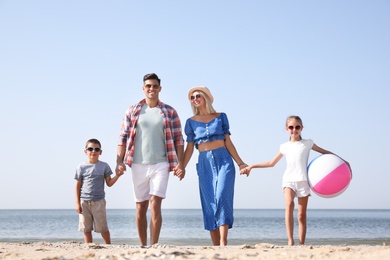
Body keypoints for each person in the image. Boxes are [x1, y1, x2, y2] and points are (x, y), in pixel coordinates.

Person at [240, 115, 352, 246]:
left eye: (297, 127)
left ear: (301, 128)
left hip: (303, 181)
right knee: (289, 205)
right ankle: (290, 241)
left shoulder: (308, 143)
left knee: (301, 216)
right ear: (287, 129)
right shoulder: (284, 146)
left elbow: (325, 152)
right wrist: (252, 166)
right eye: (291, 127)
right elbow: (271, 163)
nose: (294, 130)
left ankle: (302, 244)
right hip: (288, 180)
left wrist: (343, 161)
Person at [116, 73, 185, 246]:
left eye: (155, 86)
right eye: (148, 86)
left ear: (160, 88)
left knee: (155, 204)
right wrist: (119, 161)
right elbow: (123, 138)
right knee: (141, 207)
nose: (151, 89)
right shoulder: (132, 110)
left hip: (161, 163)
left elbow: (179, 139)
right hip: (137, 164)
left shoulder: (169, 111)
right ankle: (143, 246)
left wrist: (181, 163)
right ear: (143, 88)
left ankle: (154, 245)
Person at [182, 86, 247, 246]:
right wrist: (182, 166)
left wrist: (241, 163)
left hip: (224, 160)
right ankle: (215, 246)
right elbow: (189, 148)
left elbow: (229, 143)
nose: (195, 99)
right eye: (192, 97)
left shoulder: (221, 117)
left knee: (222, 197)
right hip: (204, 163)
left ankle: (224, 243)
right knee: (210, 201)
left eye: (198, 96)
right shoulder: (190, 122)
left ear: (205, 97)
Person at [75, 138, 123, 244]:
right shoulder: (81, 167)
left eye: (96, 149)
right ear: (85, 151)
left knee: (103, 228)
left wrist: (118, 176)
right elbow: (77, 186)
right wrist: (77, 203)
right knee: (86, 229)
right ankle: (89, 246)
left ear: (100, 152)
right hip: (84, 202)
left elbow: (109, 183)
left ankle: (108, 245)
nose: (93, 151)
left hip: (99, 202)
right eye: (90, 149)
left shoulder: (104, 166)